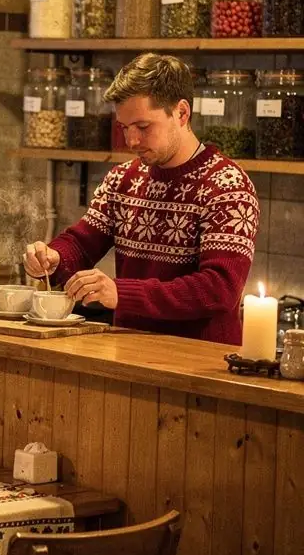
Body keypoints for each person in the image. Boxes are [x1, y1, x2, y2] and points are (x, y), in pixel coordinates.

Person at [25, 53, 260, 345]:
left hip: (200, 359)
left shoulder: (227, 186)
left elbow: (219, 289)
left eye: (143, 127)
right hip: (129, 351)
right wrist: (53, 257)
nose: (131, 141)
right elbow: (81, 243)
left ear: (181, 113)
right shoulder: (122, 179)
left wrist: (121, 293)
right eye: (124, 128)